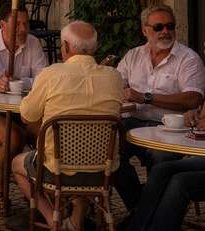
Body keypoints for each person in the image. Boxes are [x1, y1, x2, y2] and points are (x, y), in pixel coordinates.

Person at [124, 19, 205, 231]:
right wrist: (193, 116)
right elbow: (203, 117)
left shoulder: (189, 59)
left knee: (181, 182)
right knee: (163, 171)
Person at [11, 21, 123, 230]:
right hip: (102, 172)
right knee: (87, 151)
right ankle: (75, 221)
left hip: (55, 171)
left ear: (66, 46)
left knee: (17, 164)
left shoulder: (52, 74)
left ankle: (51, 219)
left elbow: (27, 115)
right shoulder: (114, 78)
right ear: (94, 48)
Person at [112, 4, 205, 210]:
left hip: (170, 128)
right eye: (158, 27)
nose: (165, 31)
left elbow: (193, 99)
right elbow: (115, 84)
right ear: (145, 30)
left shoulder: (188, 58)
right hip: (133, 122)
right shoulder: (134, 55)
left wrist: (146, 97)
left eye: (170, 26)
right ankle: (141, 211)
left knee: (161, 160)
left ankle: (145, 217)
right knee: (108, 154)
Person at [0, 7, 50, 186]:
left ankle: (42, 190)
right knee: (13, 137)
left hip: (22, 109)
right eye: (17, 25)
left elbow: (44, 79)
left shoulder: (33, 43)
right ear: (3, 25)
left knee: (46, 134)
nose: (22, 29)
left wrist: (22, 81)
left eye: (25, 24)